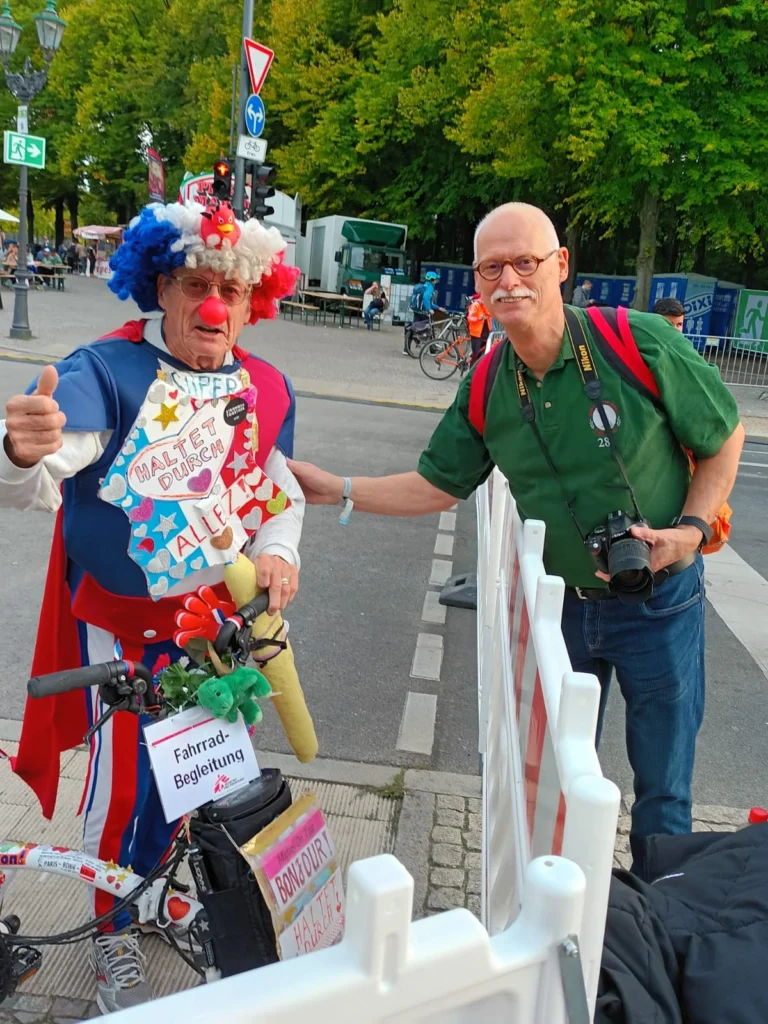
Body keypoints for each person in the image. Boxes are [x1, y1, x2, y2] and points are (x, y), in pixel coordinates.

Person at [289, 202, 744, 883]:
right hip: (563, 608)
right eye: (491, 267)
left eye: (524, 262)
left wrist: (690, 531)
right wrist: (340, 488)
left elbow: (723, 437)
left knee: (664, 789)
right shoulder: (486, 387)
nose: (509, 280)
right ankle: (570, 924)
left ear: (560, 266)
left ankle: (662, 932)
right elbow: (437, 485)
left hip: (661, 600)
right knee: (559, 785)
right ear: (477, 283)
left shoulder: (636, 341)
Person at [0, 199, 302, 1012]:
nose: (215, 307)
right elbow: (44, 471)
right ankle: (111, 933)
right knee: (125, 791)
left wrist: (279, 548)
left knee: (199, 784)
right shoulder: (105, 370)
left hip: (215, 635)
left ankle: (162, 896)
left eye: (231, 292)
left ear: (254, 300)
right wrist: (18, 451)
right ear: (160, 287)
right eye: (196, 284)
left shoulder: (268, 385)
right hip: (119, 633)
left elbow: (278, 492)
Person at [404, 270, 442, 355]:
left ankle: (406, 349)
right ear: (432, 280)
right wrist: (429, 309)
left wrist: (438, 308)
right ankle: (432, 349)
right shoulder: (430, 287)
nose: (436, 281)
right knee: (429, 329)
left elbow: (429, 302)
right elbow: (425, 298)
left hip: (416, 311)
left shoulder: (423, 286)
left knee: (413, 328)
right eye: (435, 279)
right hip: (424, 312)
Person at [465, 292, 493, 364]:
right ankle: (471, 370)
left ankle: (477, 365)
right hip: (476, 333)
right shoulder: (475, 305)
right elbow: (470, 318)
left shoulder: (486, 305)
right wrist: (479, 318)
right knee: (476, 352)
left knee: (483, 352)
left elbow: (490, 313)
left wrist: (484, 305)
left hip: (485, 331)